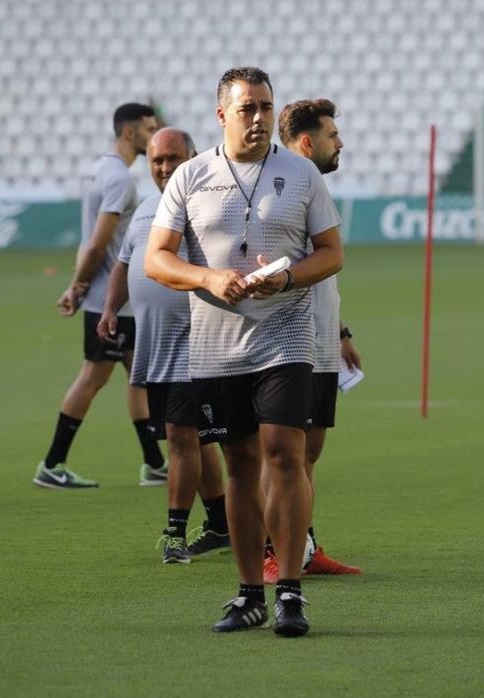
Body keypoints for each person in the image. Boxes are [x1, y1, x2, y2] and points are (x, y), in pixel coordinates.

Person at [146, 66, 343, 637]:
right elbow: (157, 258)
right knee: (239, 466)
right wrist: (207, 279)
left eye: (264, 107)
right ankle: (247, 593)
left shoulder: (302, 172)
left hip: (286, 333)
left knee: (284, 450)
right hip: (216, 346)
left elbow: (332, 253)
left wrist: (287, 280)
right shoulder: (191, 175)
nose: (258, 119)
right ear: (222, 115)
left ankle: (289, 590)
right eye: (246, 109)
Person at [97, 127, 230, 564]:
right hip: (154, 344)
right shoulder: (145, 210)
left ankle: (173, 533)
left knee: (180, 436)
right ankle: (221, 523)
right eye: (157, 161)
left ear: (194, 157)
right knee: (197, 439)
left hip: (197, 344)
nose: (166, 168)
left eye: (175, 158)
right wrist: (111, 308)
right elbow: (125, 263)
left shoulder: (211, 205)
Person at [32, 103, 162, 490]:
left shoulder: (98, 170)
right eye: (149, 128)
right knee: (94, 376)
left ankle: (154, 463)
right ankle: (53, 464)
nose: (153, 136)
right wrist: (77, 285)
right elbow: (99, 242)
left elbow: (89, 242)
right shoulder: (121, 180)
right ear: (128, 132)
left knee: (138, 376)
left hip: (112, 298)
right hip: (112, 300)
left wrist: (79, 283)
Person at [261, 98, 362, 581]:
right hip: (289, 341)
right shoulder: (281, 187)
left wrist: (341, 332)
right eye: (332, 135)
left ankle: (302, 546)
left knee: (309, 454)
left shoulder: (313, 187)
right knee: (283, 453)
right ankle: (270, 551)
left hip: (322, 340)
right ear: (306, 142)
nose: (340, 142)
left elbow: (323, 266)